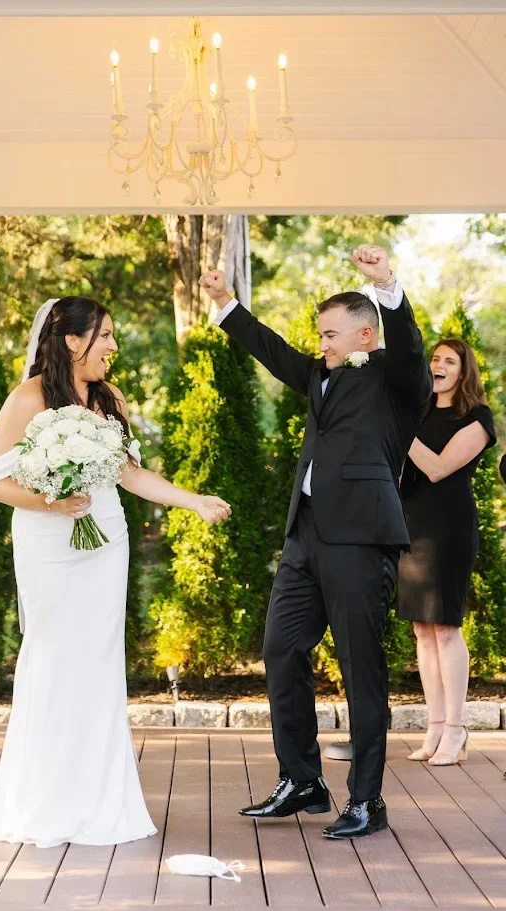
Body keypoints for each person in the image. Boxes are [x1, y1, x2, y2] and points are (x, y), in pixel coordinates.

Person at [0, 296, 231, 846]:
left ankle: (100, 795)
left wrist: (193, 501)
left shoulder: (111, 398)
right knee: (54, 657)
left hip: (106, 540)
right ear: (73, 341)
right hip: (50, 543)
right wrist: (52, 502)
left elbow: (130, 476)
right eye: (105, 337)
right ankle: (47, 795)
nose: (113, 347)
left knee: (99, 661)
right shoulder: (27, 398)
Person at [200, 246, 432, 840]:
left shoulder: (395, 378)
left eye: (331, 334)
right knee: (280, 649)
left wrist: (388, 285)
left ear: (364, 332)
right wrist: (226, 304)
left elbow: (407, 346)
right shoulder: (319, 375)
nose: (321, 343)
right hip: (304, 537)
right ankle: (302, 780)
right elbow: (273, 351)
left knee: (361, 669)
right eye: (320, 334)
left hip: (361, 538)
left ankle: (367, 800)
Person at [398, 338, 495, 765]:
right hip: (409, 526)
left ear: (463, 371)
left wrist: (400, 431)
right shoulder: (417, 410)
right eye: (435, 359)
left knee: (446, 628)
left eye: (448, 361)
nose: (438, 365)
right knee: (422, 629)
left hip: (448, 529)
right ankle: (435, 727)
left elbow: (437, 468)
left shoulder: (477, 418)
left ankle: (456, 730)